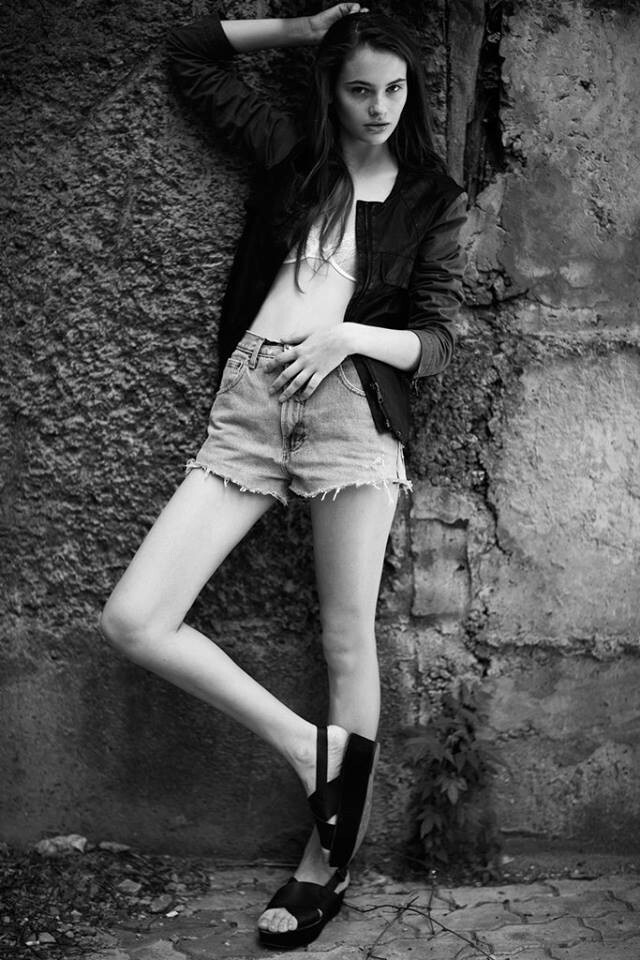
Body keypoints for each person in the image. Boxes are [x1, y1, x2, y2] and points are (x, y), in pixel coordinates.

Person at [100, 2, 467, 950]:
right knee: (134, 618)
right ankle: (312, 750)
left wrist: (348, 334)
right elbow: (191, 54)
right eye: (360, 89)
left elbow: (439, 341)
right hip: (253, 402)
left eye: (395, 89)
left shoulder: (433, 195)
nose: (379, 107)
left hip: (352, 405)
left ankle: (323, 868)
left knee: (347, 641)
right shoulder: (291, 153)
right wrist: (306, 29)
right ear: (330, 90)